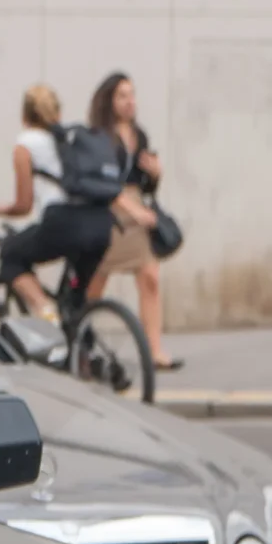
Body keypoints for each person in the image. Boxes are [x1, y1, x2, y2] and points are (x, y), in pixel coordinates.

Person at [0, 83, 110, 324]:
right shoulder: (72, 139)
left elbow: (24, 205)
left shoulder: (25, 144)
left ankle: (47, 313)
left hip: (63, 223)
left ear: (24, 115)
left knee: (11, 254)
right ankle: (81, 352)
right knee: (75, 304)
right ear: (57, 113)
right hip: (100, 224)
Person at [82, 71, 176, 368]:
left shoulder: (140, 135)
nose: (129, 102)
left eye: (132, 95)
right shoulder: (97, 137)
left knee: (150, 278)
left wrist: (156, 175)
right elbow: (96, 180)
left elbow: (145, 187)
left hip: (136, 210)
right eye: (122, 95)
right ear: (109, 100)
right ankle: (80, 340)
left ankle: (154, 349)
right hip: (108, 211)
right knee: (94, 284)